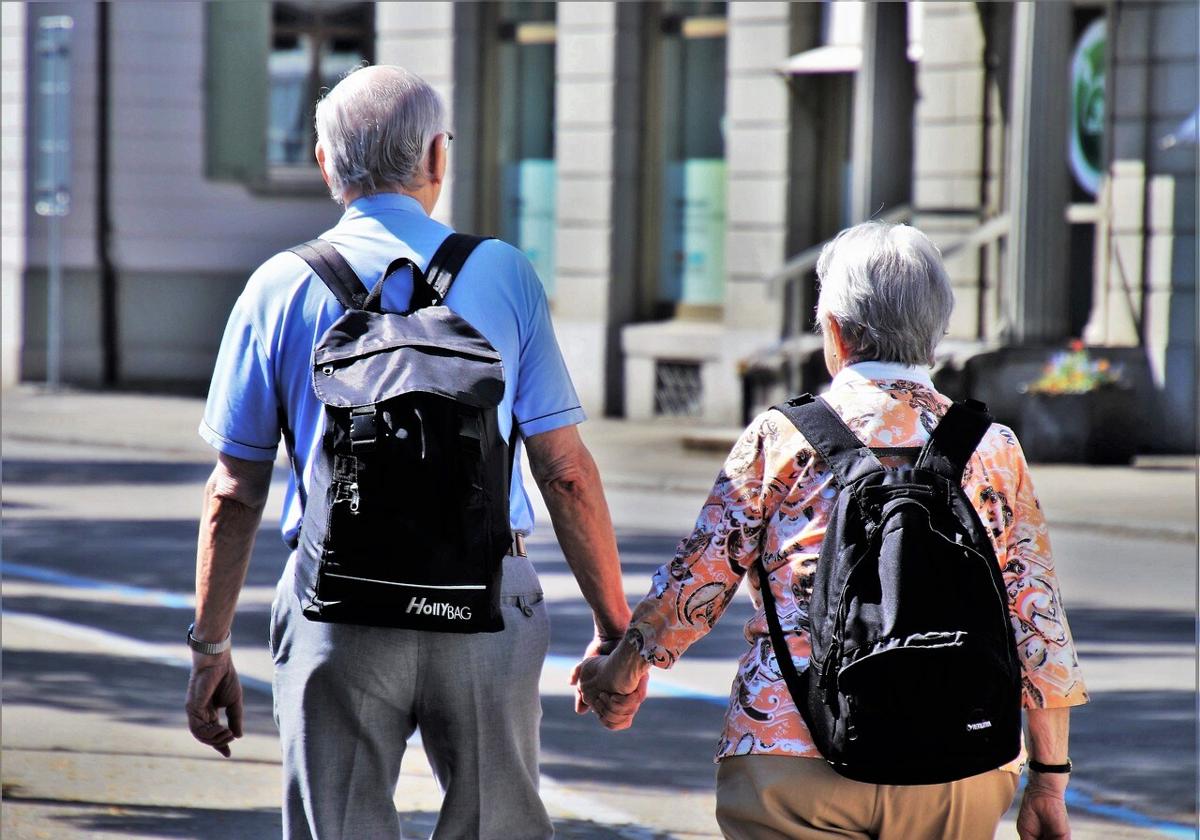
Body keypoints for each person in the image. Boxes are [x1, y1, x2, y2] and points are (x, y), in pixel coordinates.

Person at [184, 65, 642, 839]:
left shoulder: (277, 286)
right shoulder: (504, 273)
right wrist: (613, 629)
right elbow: (564, 472)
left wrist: (210, 649)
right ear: (438, 157)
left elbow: (235, 491)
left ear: (327, 166)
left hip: (338, 607)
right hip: (488, 601)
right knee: (497, 824)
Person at [576, 221, 1088, 840]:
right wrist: (1049, 778)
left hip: (792, 753)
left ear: (836, 331)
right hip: (960, 765)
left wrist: (624, 669)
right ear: (935, 332)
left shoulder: (782, 436)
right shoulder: (993, 449)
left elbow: (698, 581)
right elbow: (1038, 624)